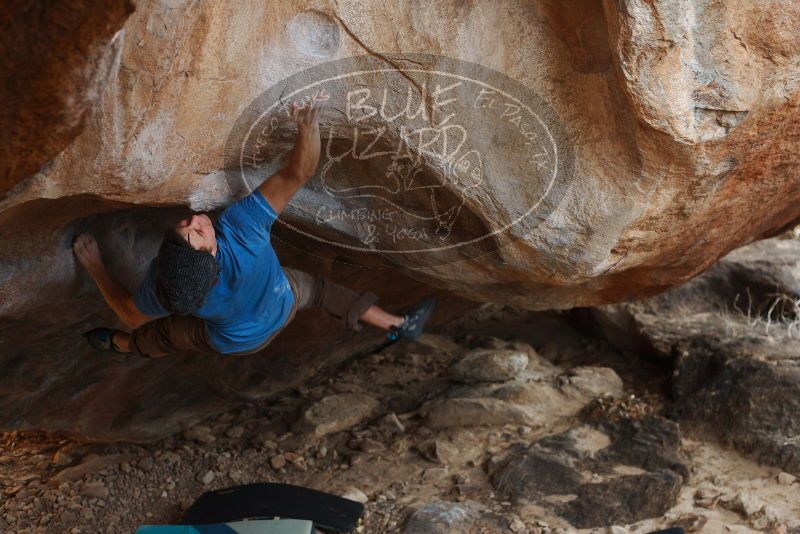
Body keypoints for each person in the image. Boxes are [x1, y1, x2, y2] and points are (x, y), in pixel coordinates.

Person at [72, 101, 435, 358]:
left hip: (242, 336)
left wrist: (96, 267)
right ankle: (398, 324)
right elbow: (298, 173)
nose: (195, 219)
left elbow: (133, 315)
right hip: (280, 301)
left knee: (167, 336)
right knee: (321, 291)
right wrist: (308, 128)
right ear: (212, 254)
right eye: (197, 232)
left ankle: (121, 345)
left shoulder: (161, 288)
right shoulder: (241, 230)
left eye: (185, 227)